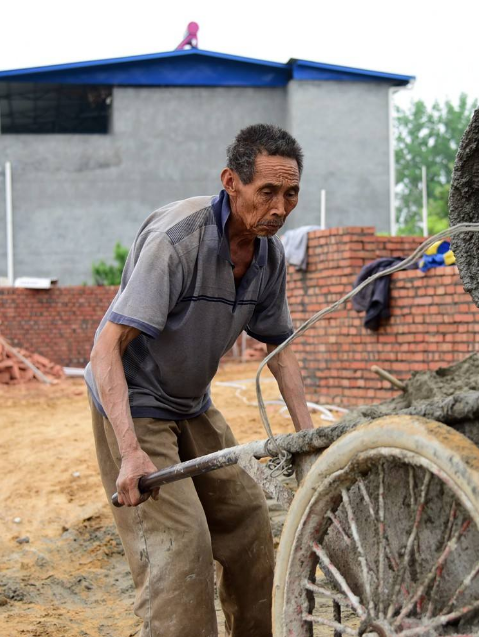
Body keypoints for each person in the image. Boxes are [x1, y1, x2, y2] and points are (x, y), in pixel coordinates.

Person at [84, 124, 313, 637]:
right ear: (231, 182)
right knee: (182, 545)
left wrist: (307, 439)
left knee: (249, 519)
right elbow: (105, 348)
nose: (280, 207)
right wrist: (129, 451)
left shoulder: (268, 255)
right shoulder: (178, 241)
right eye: (268, 192)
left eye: (291, 193)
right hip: (135, 401)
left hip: (192, 403)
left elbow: (279, 349)